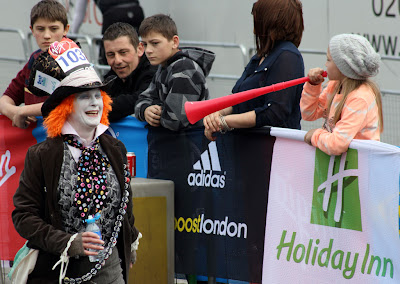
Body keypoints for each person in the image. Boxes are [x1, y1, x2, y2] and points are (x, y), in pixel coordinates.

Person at [12, 39, 140, 283]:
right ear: (66, 106)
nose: (94, 102)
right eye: (84, 97)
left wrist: (129, 238)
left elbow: (125, 205)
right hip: (59, 269)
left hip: (109, 268)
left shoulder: (115, 148)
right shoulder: (43, 155)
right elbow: (24, 216)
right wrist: (69, 243)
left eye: (97, 95)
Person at [203, 0, 304, 141]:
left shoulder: (288, 56)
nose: (254, 28)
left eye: (258, 19)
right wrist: (216, 116)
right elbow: (238, 99)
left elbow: (274, 112)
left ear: (270, 20)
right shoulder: (262, 55)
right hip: (249, 146)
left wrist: (225, 121)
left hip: (274, 150)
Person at [301, 34, 383, 156]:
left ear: (343, 67)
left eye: (329, 60)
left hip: (360, 167)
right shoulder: (334, 86)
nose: (325, 65)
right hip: (344, 166)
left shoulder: (359, 98)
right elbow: (309, 114)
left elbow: (337, 144)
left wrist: (315, 135)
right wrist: (313, 86)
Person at [134, 14, 216, 131]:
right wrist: (146, 111)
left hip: (191, 144)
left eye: (155, 43)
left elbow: (173, 121)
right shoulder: (164, 66)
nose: (148, 50)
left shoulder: (184, 68)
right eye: (145, 44)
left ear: (174, 42)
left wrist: (156, 110)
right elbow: (143, 98)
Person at [0, 0, 69, 129]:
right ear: (32, 30)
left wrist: (24, 111)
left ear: (66, 29)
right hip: (36, 143)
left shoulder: (75, 61)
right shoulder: (34, 59)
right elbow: (6, 99)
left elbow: (67, 104)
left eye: (53, 29)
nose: (47, 35)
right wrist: (14, 113)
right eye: (40, 29)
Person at [102, 22, 157, 121]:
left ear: (140, 49)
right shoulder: (111, 77)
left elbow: (138, 100)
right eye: (111, 55)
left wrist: (98, 105)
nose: (117, 60)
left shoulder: (154, 73)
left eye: (123, 52)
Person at [70, 0, 145, 65]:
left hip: (113, 15)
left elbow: (79, 14)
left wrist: (72, 36)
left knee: (106, 52)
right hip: (136, 11)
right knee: (137, 48)